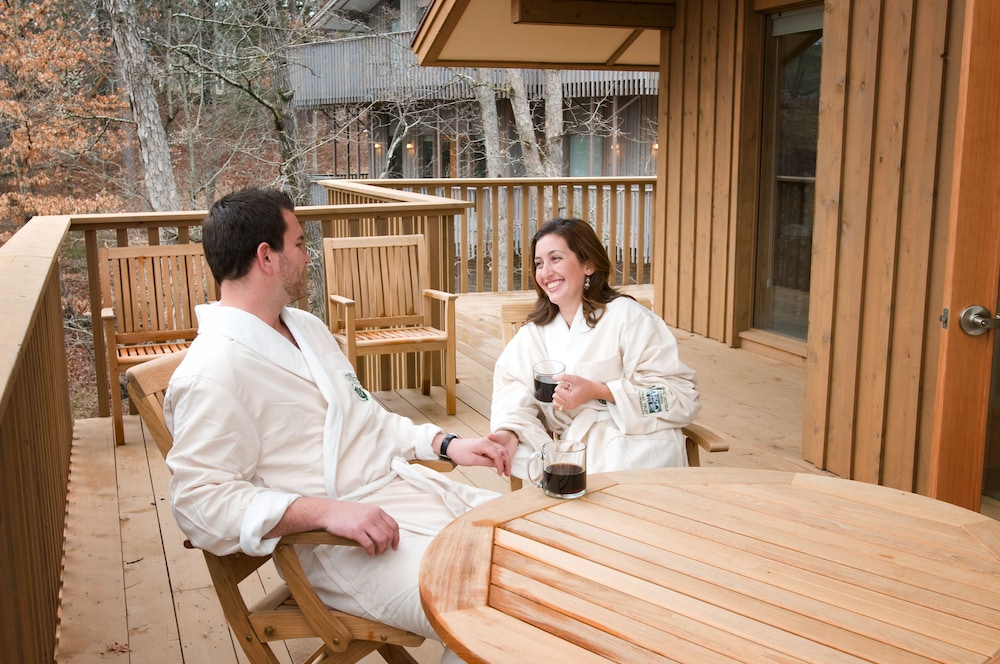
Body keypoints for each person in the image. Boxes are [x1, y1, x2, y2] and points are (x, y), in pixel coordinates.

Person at [164, 187, 510, 663]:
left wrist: (444, 442)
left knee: (537, 544)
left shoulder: (305, 328)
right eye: (299, 244)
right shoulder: (213, 372)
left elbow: (365, 416)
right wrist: (325, 513)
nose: (308, 256)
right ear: (267, 257)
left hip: (403, 499)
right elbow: (199, 502)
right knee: (490, 603)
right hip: (341, 547)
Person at [491, 217, 701, 480]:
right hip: (574, 447)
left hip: (637, 440)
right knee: (524, 454)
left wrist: (601, 392)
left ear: (588, 264)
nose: (545, 272)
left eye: (556, 259)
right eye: (539, 263)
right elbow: (511, 394)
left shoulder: (628, 317)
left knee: (623, 473)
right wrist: (508, 432)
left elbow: (681, 396)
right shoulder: (533, 335)